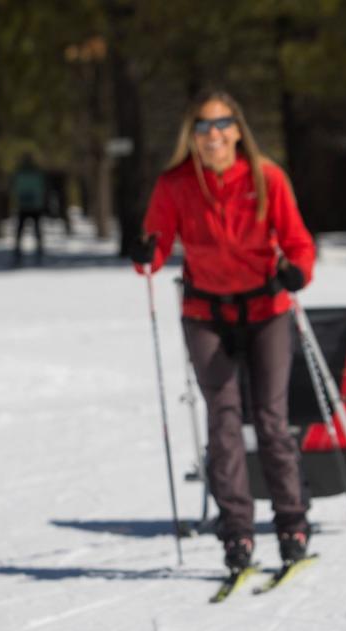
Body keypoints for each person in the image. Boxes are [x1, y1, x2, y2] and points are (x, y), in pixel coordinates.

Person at [130, 90, 315, 574]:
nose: (213, 136)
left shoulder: (265, 176)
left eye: (221, 125)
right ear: (191, 136)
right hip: (205, 312)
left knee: (271, 418)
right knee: (224, 420)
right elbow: (156, 243)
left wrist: (296, 269)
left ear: (237, 129)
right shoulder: (175, 184)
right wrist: (145, 251)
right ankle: (237, 534)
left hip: (266, 307)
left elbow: (297, 241)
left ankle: (293, 523)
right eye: (203, 128)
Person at [11, 154, 47, 265]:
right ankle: (39, 253)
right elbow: (42, 187)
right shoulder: (37, 173)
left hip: (24, 205)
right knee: (36, 231)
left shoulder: (20, 173)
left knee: (20, 232)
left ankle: (18, 254)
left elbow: (14, 187)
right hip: (35, 205)